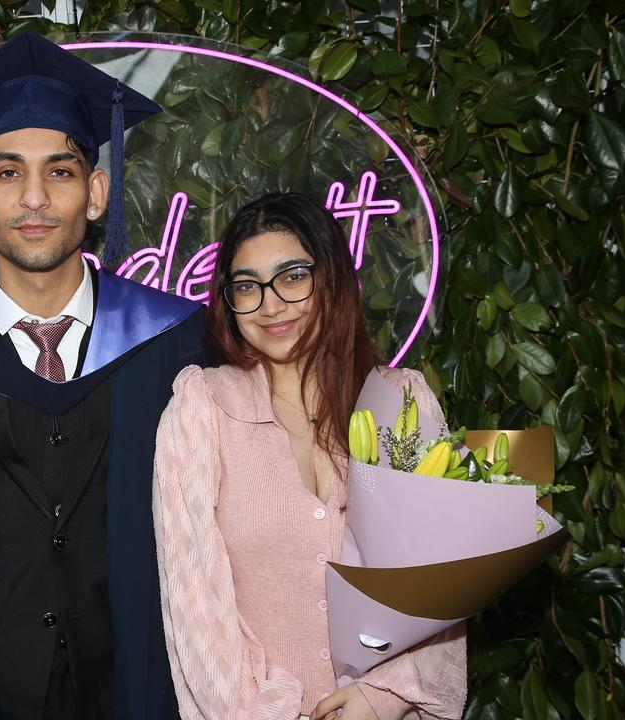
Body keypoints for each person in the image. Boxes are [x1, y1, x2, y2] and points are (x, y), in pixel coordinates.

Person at [0, 31, 207, 720]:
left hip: (143, 689)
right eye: (6, 172)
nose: (33, 198)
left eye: (60, 171)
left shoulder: (177, 341)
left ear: (95, 191)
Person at [152, 192, 467, 720]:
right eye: (246, 286)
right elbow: (194, 605)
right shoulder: (201, 408)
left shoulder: (402, 403)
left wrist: (382, 696)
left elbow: (444, 586)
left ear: (333, 279)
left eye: (293, 276)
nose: (270, 304)